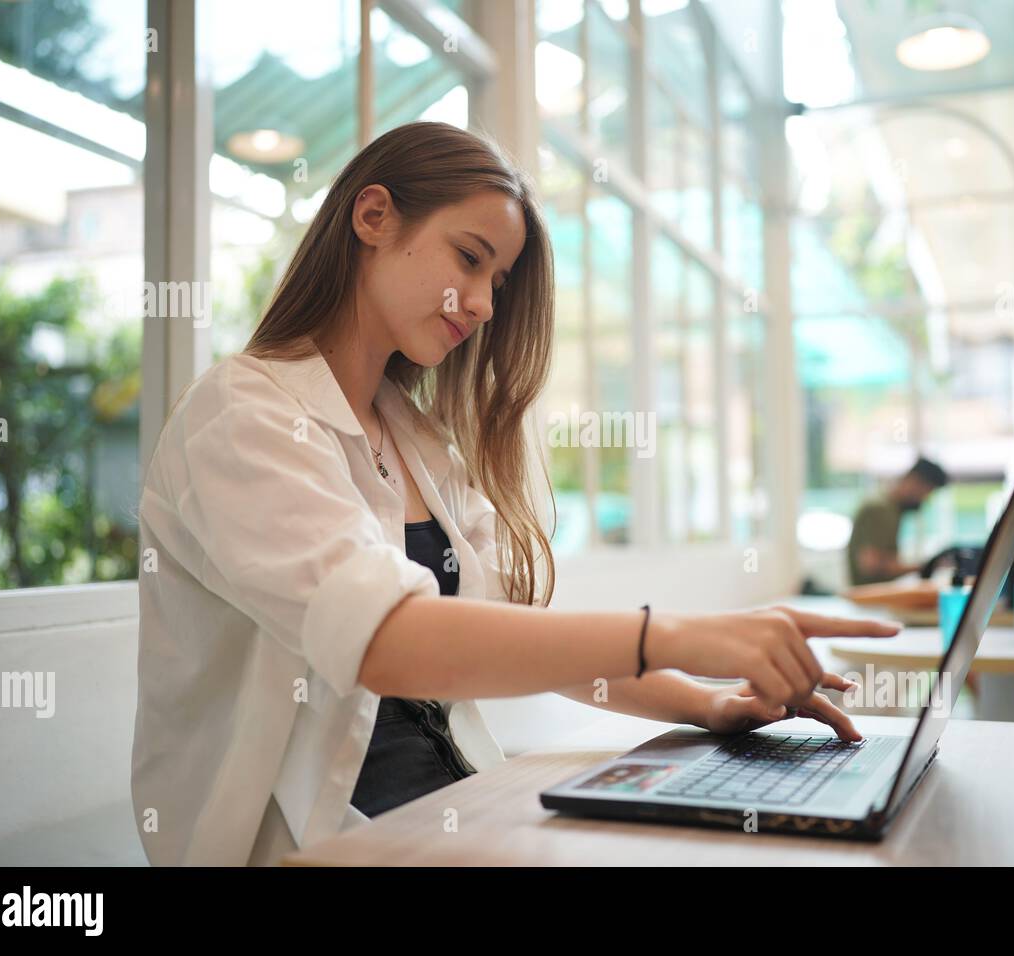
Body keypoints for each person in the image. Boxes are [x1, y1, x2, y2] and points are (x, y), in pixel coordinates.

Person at [131, 122, 899, 866]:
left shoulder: (416, 437)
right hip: (316, 846)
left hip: (455, 809)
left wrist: (710, 703)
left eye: (497, 282)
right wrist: (675, 633)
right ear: (373, 216)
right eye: (469, 258)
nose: (487, 305)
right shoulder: (240, 415)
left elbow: (515, 637)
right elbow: (390, 645)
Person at [846, 457, 949, 587]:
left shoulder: (891, 509)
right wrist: (924, 567)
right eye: (926, 492)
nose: (925, 499)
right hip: (871, 601)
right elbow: (871, 564)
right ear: (914, 481)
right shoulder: (879, 509)